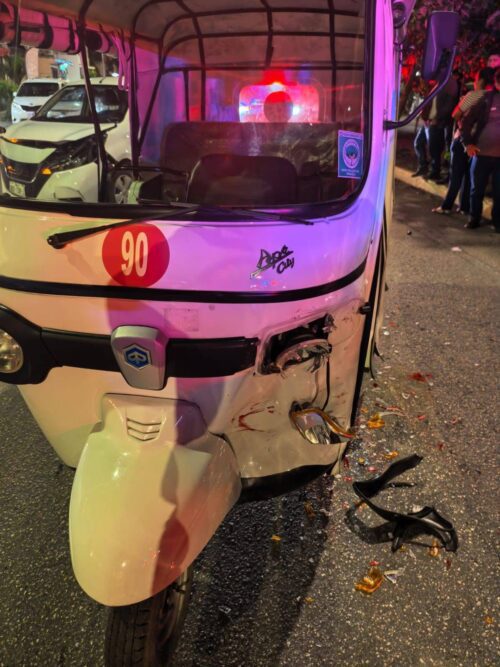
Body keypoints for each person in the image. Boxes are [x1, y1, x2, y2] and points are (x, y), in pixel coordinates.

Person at [432, 68, 494, 215]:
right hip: (478, 142)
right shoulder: (492, 98)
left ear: (480, 80)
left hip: (462, 139)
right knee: (468, 175)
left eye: (476, 79)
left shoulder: (474, 95)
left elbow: (455, 114)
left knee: (456, 174)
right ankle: (464, 207)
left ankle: (447, 206)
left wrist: (463, 103)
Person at [461, 68, 500, 232]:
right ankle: (474, 218)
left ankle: (497, 222)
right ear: (496, 82)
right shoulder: (486, 99)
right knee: (476, 189)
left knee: (499, 192)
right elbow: (466, 121)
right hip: (481, 152)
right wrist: (468, 144)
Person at [426, 75, 460, 181]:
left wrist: (438, 118)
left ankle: (439, 171)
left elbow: (449, 105)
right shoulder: (438, 83)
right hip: (433, 121)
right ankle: (435, 170)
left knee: (440, 148)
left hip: (441, 122)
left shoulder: (450, 83)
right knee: (433, 148)